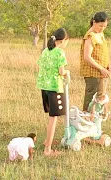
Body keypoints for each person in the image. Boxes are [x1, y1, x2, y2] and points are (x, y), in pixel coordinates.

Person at [36, 28, 70, 156]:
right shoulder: (59, 52)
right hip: (55, 88)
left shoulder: (45, 51)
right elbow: (61, 71)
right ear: (63, 40)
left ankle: (47, 141)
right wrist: (67, 72)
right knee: (53, 118)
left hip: (44, 87)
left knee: (51, 116)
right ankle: (48, 150)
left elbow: (41, 67)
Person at [80, 12, 111, 112]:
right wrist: (101, 68)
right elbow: (87, 57)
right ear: (94, 22)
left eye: (105, 26)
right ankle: (87, 118)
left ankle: (95, 119)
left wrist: (107, 65)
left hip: (101, 72)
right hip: (93, 72)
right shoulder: (90, 36)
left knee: (101, 96)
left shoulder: (100, 34)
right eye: (100, 25)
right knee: (92, 97)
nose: (102, 28)